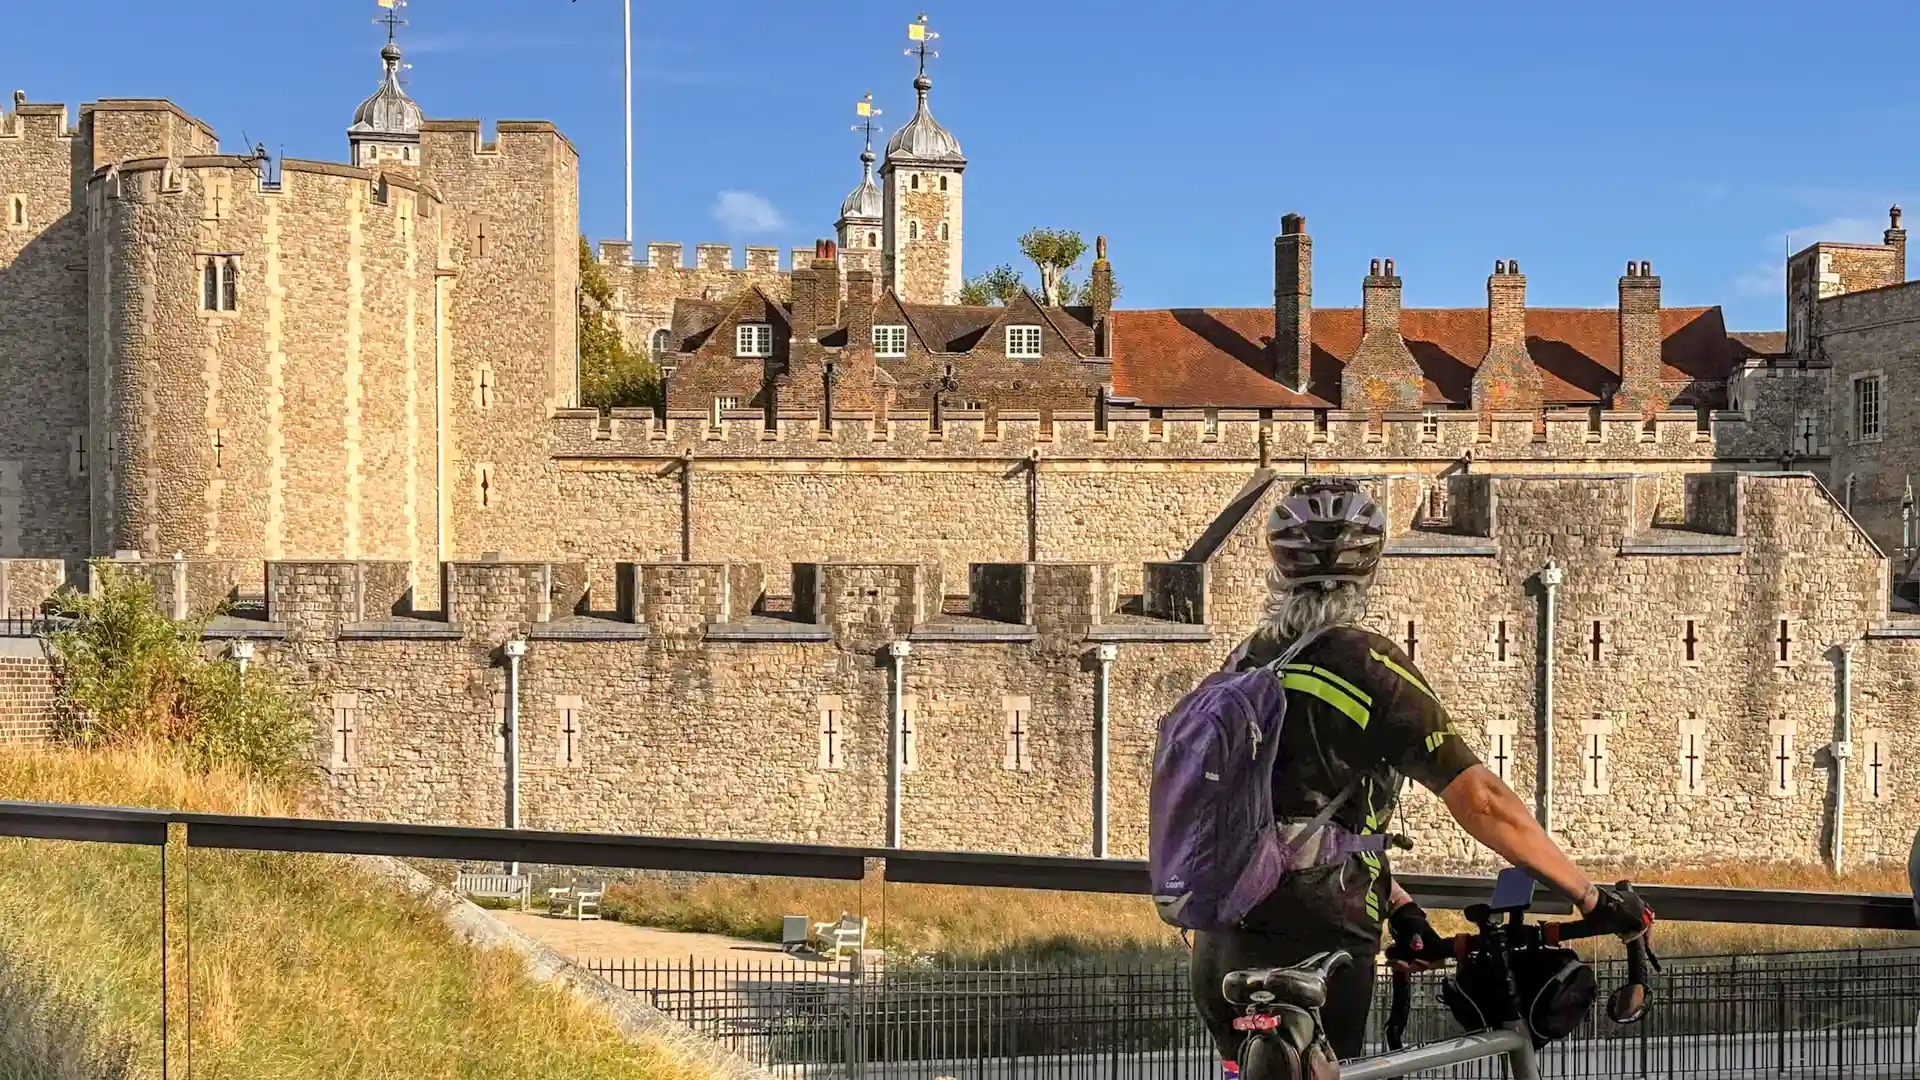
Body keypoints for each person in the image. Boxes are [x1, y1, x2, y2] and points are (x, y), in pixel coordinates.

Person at [1190, 477, 1649, 1072]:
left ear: (1279, 568)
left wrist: (1399, 903)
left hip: (1221, 946)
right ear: (1370, 568)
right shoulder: (1367, 664)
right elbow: (1481, 799)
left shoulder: (1249, 662)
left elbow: (1289, 817)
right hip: (1317, 943)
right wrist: (1589, 896)